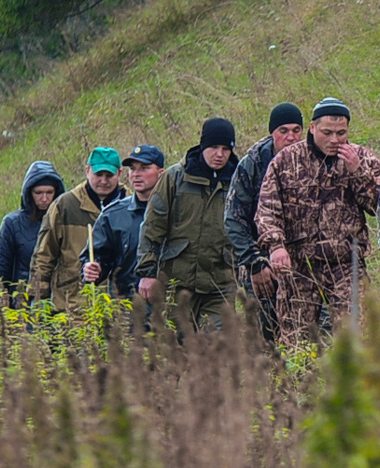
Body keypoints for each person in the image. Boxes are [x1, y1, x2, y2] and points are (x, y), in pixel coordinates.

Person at [255, 97, 380, 345]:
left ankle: (350, 383)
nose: (335, 139)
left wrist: (357, 171)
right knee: (297, 343)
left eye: (341, 133)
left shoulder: (361, 158)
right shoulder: (285, 161)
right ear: (313, 128)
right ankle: (298, 384)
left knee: (355, 338)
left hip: (346, 264)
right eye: (327, 132)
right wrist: (276, 246)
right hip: (298, 265)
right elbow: (267, 209)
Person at [138, 118, 241, 331]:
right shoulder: (175, 178)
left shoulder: (239, 181)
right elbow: (152, 228)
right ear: (202, 145)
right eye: (213, 147)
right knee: (175, 348)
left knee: (219, 348)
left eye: (225, 149)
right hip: (177, 283)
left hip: (220, 283)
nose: (219, 154)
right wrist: (147, 272)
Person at [225, 105, 304, 337]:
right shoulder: (252, 164)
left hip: (304, 264)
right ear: (272, 133)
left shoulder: (311, 160)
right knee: (266, 335)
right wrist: (255, 263)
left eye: (296, 130)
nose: (291, 137)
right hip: (262, 265)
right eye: (283, 130)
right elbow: (234, 220)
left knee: (314, 333)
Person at [32, 147, 128, 311]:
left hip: (119, 308)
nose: (103, 181)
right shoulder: (65, 206)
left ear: (120, 173)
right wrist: (38, 299)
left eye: (109, 175)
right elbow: (44, 256)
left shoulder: (132, 206)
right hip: (71, 307)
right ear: (87, 171)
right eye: (98, 175)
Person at [85, 145, 165, 299]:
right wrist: (92, 269)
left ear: (161, 173)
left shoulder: (179, 212)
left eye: (144, 168)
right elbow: (98, 256)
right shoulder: (113, 215)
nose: (136, 174)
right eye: (133, 169)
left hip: (169, 307)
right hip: (125, 309)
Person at [0, 161, 65, 291]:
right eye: (38, 193)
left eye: (49, 192)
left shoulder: (66, 221)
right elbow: (0, 268)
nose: (44, 198)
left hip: (59, 299)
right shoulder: (12, 223)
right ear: (29, 193)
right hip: (21, 299)